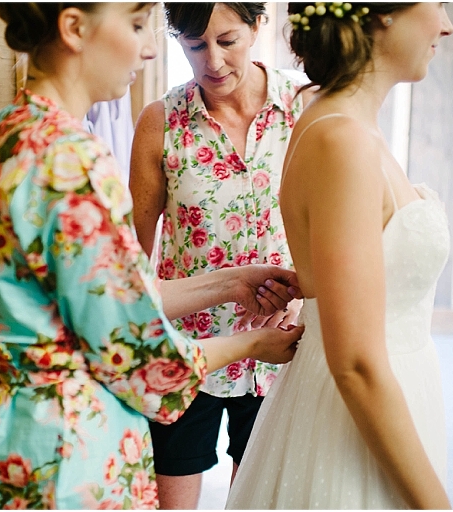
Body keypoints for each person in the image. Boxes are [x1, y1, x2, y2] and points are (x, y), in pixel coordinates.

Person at [0, 3, 305, 509]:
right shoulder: (72, 160)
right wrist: (250, 344)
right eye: (138, 25)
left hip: (18, 436)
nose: (147, 48)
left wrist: (233, 282)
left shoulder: (7, 132)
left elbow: (122, 294)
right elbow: (141, 354)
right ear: (75, 27)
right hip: (73, 453)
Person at [226, 2, 453, 509]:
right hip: (355, 410)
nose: (446, 23)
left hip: (391, 389)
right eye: (438, 3)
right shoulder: (341, 138)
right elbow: (354, 362)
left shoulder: (341, 122)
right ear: (382, 14)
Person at [129, 3, 311, 508]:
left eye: (227, 41)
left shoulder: (304, 105)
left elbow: (329, 226)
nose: (212, 61)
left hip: (280, 346)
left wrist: (304, 299)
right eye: (194, 46)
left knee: (255, 499)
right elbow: (130, 265)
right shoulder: (160, 123)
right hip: (187, 350)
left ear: (257, 26)